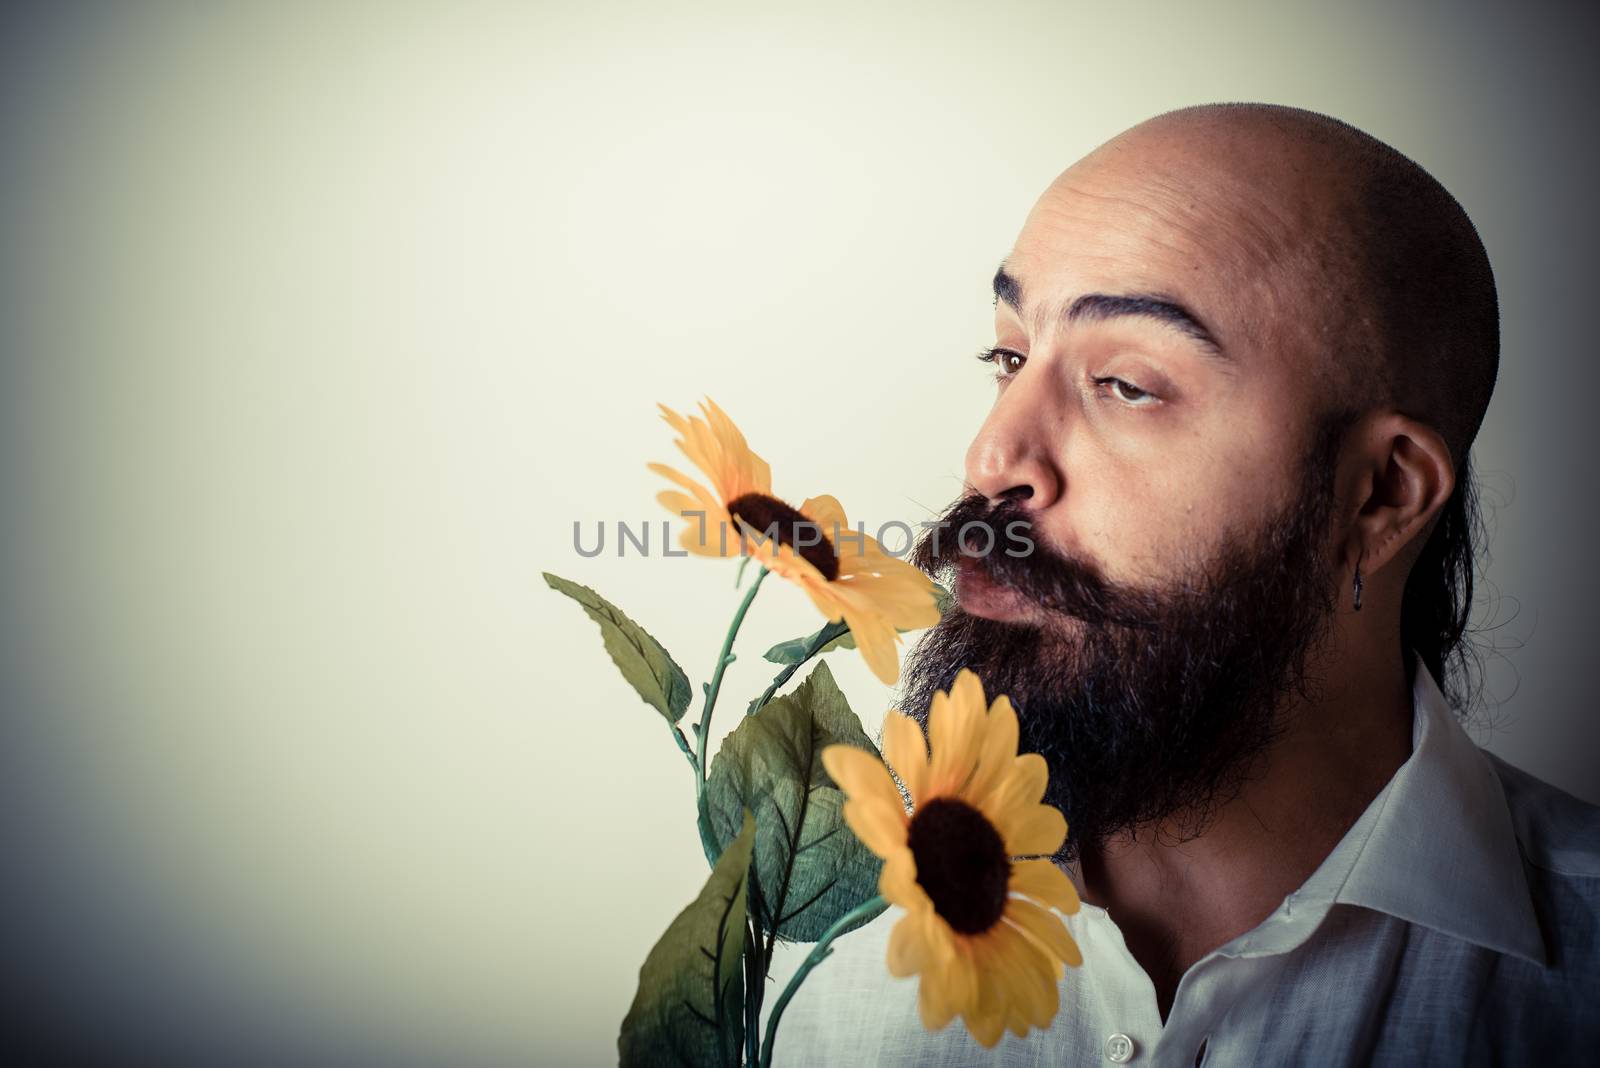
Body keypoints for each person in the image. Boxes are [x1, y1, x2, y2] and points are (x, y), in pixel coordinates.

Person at [764, 102, 1600, 1066]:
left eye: (1126, 382)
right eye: (1010, 357)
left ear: (1379, 496)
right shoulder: (809, 965)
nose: (991, 456)